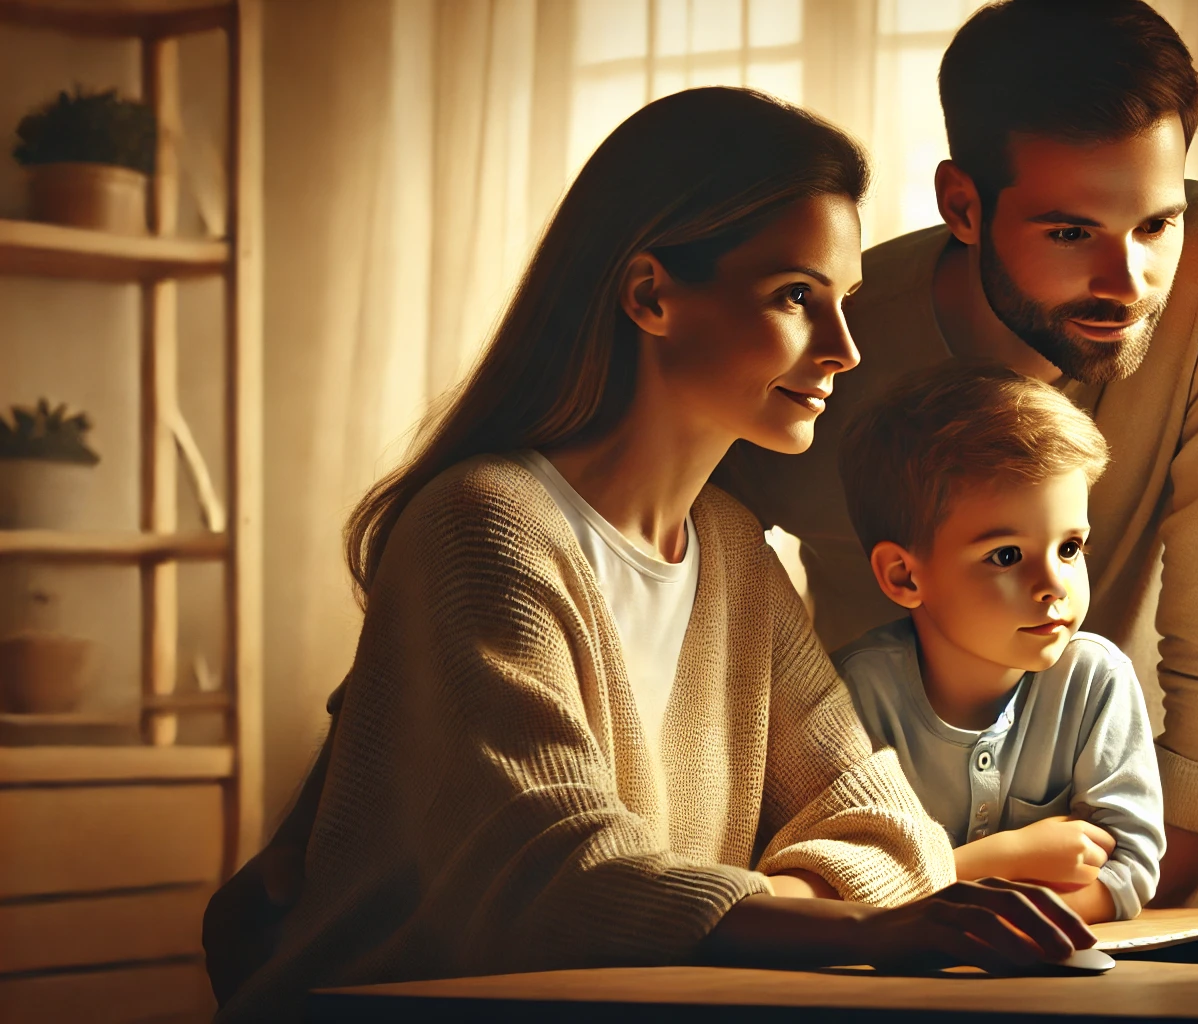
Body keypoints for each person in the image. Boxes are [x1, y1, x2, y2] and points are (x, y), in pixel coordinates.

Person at [207, 87, 1095, 1022]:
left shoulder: (732, 551)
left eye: (846, 303)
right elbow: (566, 876)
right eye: (796, 297)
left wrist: (750, 912)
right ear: (649, 294)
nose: (843, 350)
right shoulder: (484, 527)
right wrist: (857, 930)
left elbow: (890, 830)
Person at [713, 0, 1198, 907]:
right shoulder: (824, 340)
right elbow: (680, 580)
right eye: (1071, 232)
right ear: (963, 204)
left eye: (1157, 225)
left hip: (1088, 873)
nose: (1129, 286)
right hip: (858, 876)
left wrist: (1116, 907)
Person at [832, 361, 1165, 925]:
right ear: (904, 577)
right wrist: (1003, 860)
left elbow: (1130, 867)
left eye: (1069, 548)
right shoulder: (854, 694)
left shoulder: (1094, 680)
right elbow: (847, 877)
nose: (1054, 586)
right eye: (1007, 555)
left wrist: (1000, 919)